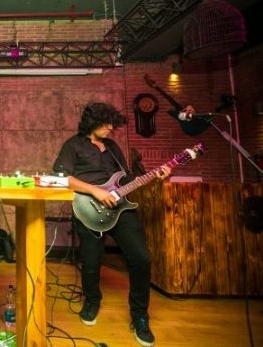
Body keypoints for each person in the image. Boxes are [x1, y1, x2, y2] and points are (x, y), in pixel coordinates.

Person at [53, 102, 170, 347]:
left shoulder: (113, 148)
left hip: (121, 209)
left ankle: (139, 315)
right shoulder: (73, 145)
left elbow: (126, 180)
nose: (110, 128)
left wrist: (153, 178)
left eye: (112, 124)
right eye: (106, 123)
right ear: (91, 122)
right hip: (89, 208)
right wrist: (95, 191)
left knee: (141, 259)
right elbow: (61, 178)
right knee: (91, 262)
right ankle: (92, 301)